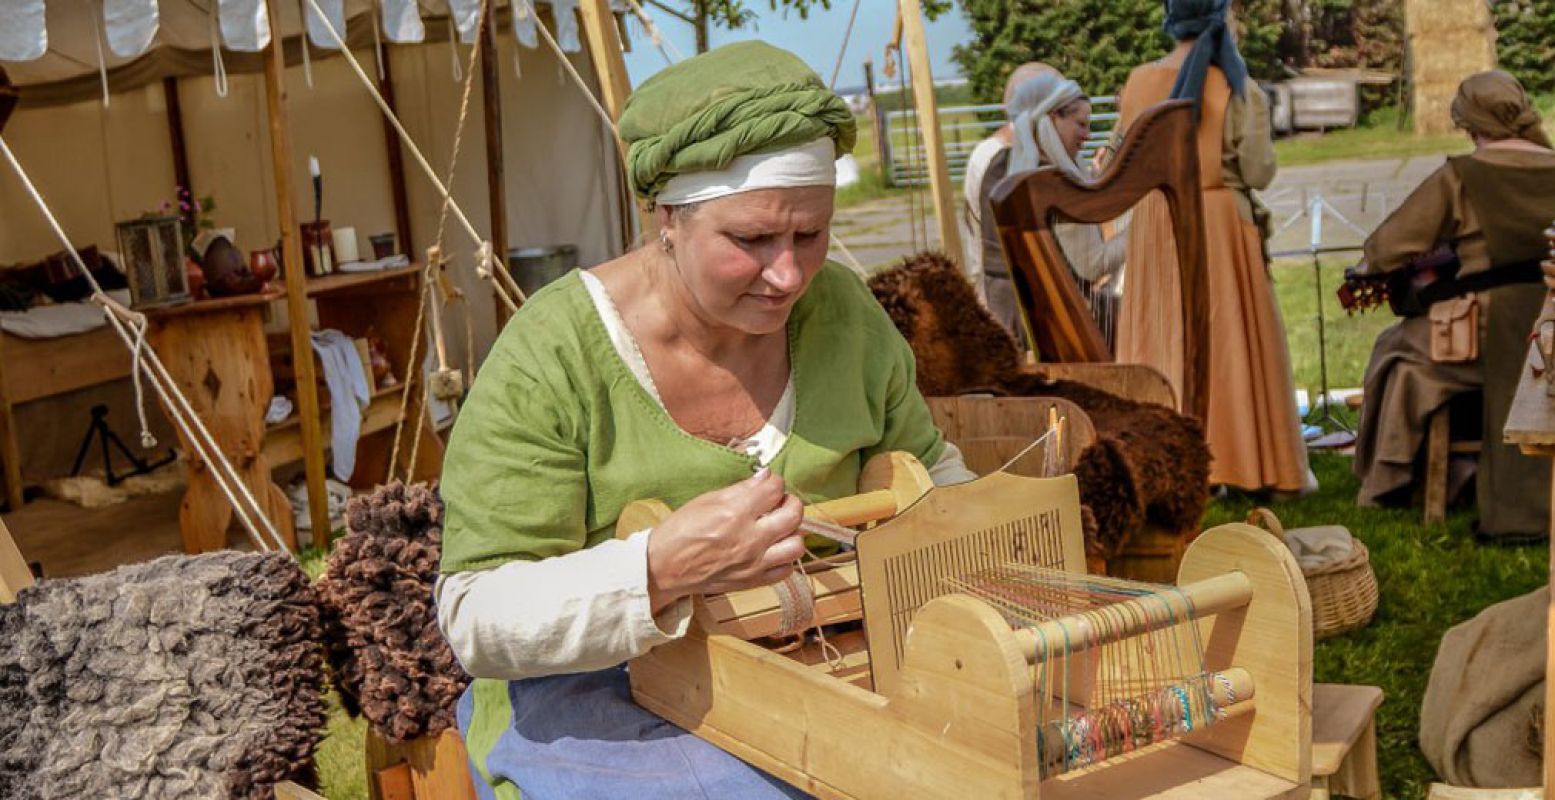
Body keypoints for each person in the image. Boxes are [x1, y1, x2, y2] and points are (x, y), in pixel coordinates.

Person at [434, 41, 975, 800]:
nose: (787, 274)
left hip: (829, 652)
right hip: (602, 693)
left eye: (809, 235)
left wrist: (990, 519)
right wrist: (655, 570)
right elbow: (474, 617)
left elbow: (930, 476)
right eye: (751, 240)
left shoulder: (843, 315)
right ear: (667, 219)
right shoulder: (552, 355)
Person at [1112, 0, 1311, 494]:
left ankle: (1163, 458)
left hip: (1157, 221)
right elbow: (1258, 170)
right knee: (1227, 341)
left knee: (1163, 336)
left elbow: (1124, 156)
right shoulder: (1237, 85)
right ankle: (1243, 460)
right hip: (1219, 221)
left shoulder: (1138, 82)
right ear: (1220, 18)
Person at [1353, 70, 1555, 542]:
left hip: (1482, 333)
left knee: (1398, 353)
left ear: (1469, 122)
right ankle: (1457, 469)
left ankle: (1396, 476)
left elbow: (1385, 247)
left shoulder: (1461, 176)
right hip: (1550, 326)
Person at [960, 63, 1127, 346]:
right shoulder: (1050, 179)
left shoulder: (1002, 164)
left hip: (1009, 310)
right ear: (1052, 117)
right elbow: (1091, 266)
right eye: (1081, 124)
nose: (1087, 136)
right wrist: (1143, 226)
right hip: (1043, 322)